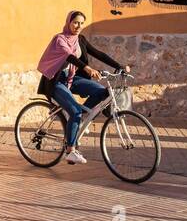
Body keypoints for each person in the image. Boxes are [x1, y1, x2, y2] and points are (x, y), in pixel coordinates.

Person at [36, 10, 129, 165]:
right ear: (68, 22)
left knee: (101, 92)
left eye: (81, 23)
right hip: (56, 80)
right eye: (75, 22)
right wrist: (87, 69)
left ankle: (79, 121)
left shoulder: (80, 40)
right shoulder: (60, 39)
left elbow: (98, 53)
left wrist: (119, 66)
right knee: (75, 111)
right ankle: (70, 151)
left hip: (72, 78)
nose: (78, 26)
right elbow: (69, 56)